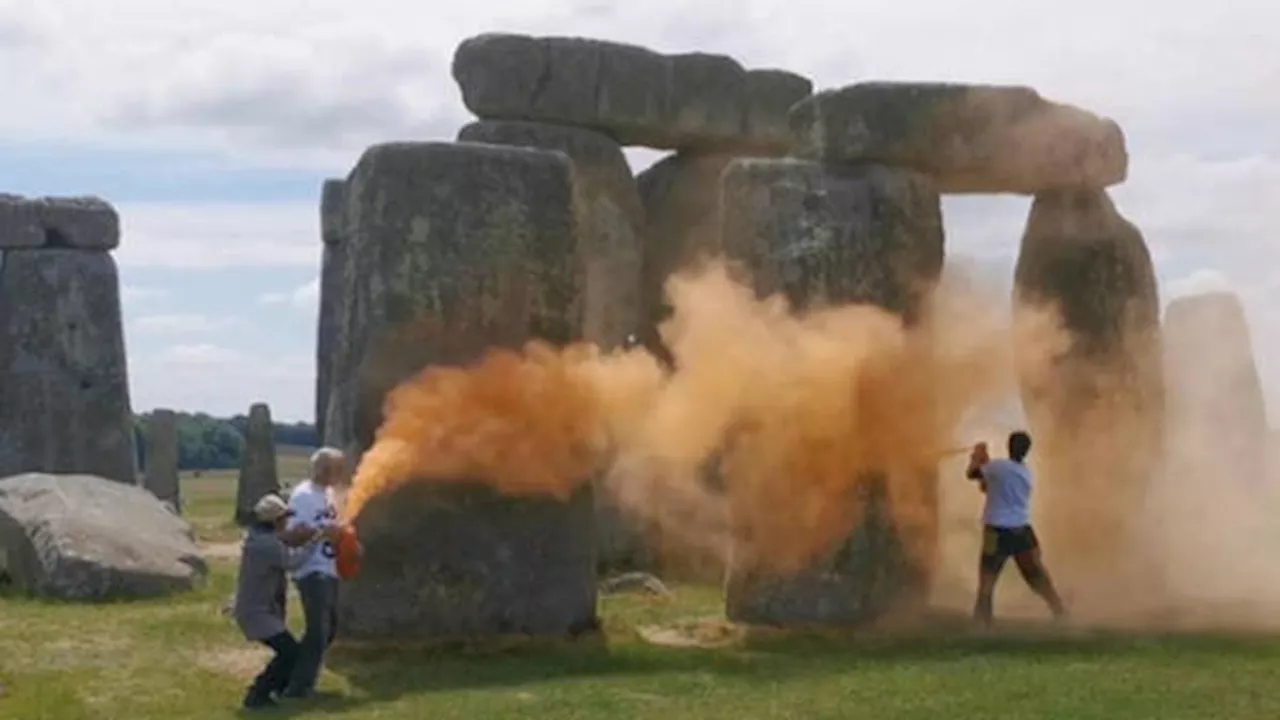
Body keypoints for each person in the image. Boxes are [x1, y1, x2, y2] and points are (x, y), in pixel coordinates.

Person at [966, 430, 1067, 626]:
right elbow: (988, 486)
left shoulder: (998, 467)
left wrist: (976, 456)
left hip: (996, 529)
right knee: (1036, 574)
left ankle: (982, 620)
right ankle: (1059, 609)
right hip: (1020, 529)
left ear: (1009, 445)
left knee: (987, 577)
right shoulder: (1024, 472)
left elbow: (972, 474)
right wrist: (985, 461)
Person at [277, 446, 348, 699]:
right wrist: (321, 533)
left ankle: (293, 673)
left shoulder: (329, 494)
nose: (337, 473)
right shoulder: (303, 495)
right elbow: (291, 535)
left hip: (329, 568)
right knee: (318, 630)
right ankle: (298, 688)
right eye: (333, 468)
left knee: (330, 629)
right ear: (320, 468)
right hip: (311, 570)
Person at [233, 493, 307, 711]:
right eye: (284, 518)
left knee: (289, 652)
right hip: (257, 612)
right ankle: (257, 695)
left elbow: (284, 546)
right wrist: (317, 539)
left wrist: (300, 538)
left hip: (257, 610)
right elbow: (293, 562)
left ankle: (272, 691)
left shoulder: (261, 540)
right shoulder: (266, 545)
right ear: (275, 521)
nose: (287, 522)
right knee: (290, 652)